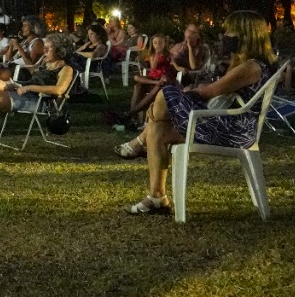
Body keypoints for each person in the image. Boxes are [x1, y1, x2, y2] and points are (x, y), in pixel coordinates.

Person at [115, 11, 278, 214]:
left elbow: (209, 92)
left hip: (233, 130)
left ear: (245, 34)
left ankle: (139, 141)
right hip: (229, 123)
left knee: (167, 92)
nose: (226, 34)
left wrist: (190, 91)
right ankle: (157, 198)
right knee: (157, 129)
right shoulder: (252, 63)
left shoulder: (251, 66)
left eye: (230, 30)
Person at [0, 34, 77, 152]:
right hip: (24, 89)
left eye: (48, 49)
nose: (44, 51)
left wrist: (29, 87)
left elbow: (59, 90)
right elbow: (32, 70)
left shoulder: (66, 69)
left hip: (39, 100)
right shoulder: (46, 64)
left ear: (60, 51)